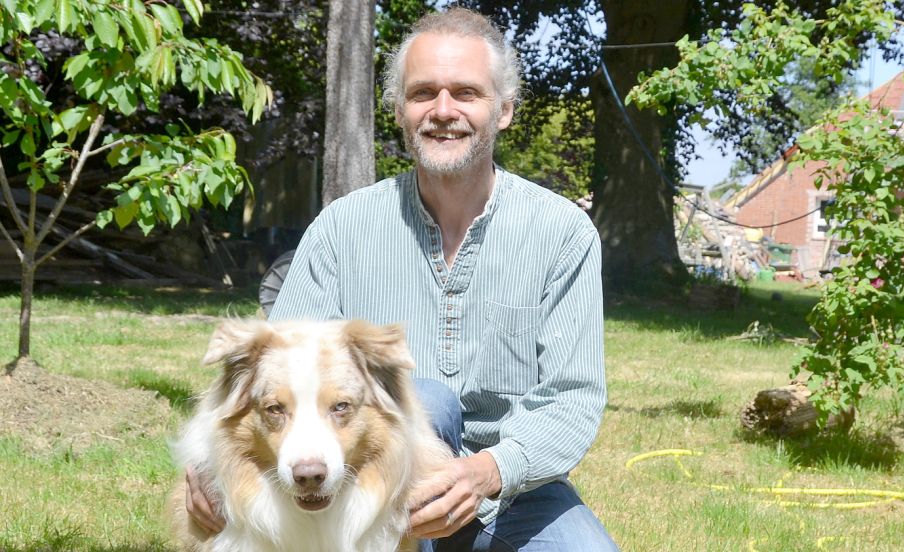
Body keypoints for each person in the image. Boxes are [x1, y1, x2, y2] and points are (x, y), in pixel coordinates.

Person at [186, 7, 617, 551]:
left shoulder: (562, 233)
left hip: (509, 491)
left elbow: (572, 398)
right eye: (422, 94)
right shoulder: (341, 229)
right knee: (428, 400)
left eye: (466, 93)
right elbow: (271, 374)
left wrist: (487, 473)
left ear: (504, 109)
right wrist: (207, 465)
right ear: (398, 109)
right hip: (366, 488)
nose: (443, 111)